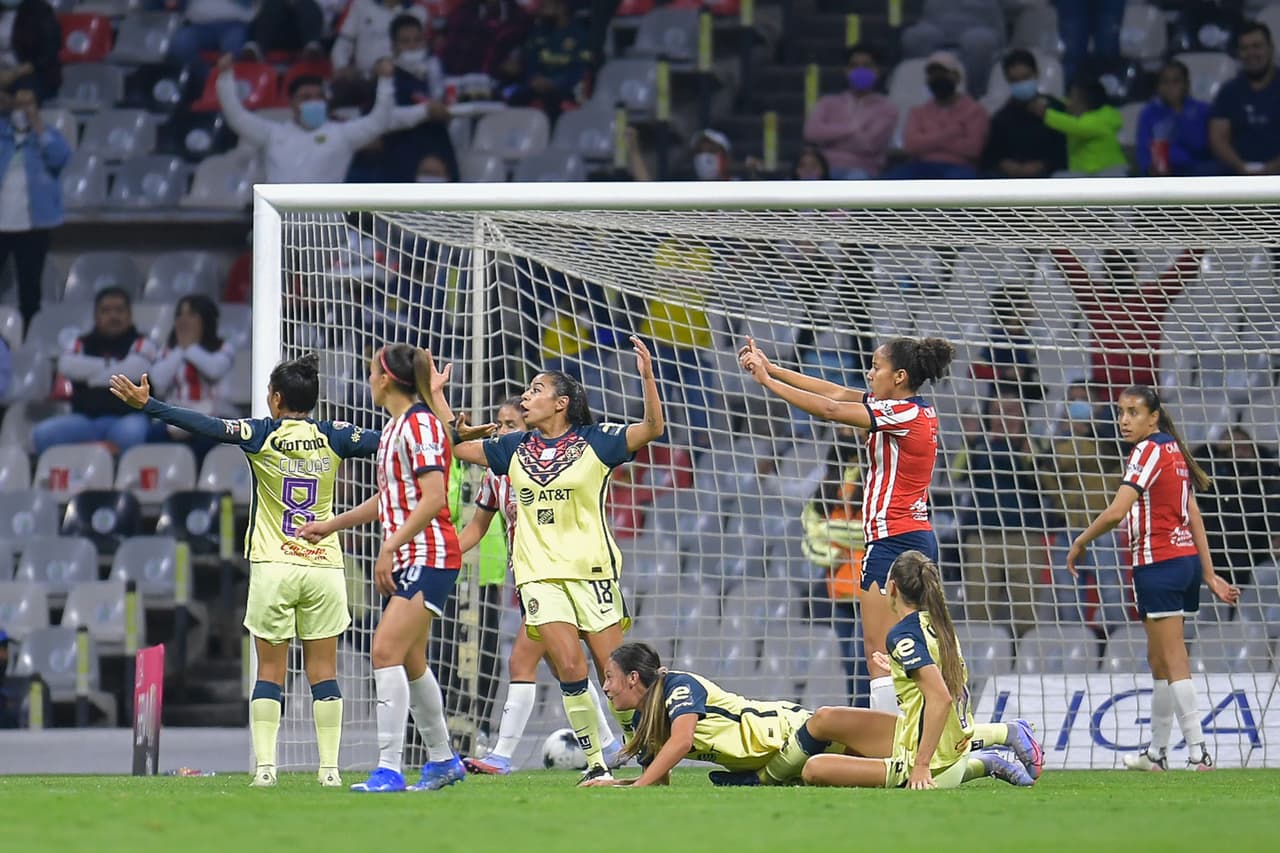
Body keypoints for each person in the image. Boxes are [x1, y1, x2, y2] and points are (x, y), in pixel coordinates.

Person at [108, 353, 382, 788]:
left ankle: (267, 770)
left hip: (274, 565)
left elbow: (207, 425)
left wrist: (151, 406)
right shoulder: (337, 436)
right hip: (324, 566)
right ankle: (329, 771)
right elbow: (397, 440)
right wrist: (452, 431)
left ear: (275, 399)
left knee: (270, 673)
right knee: (324, 673)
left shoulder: (261, 433)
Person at [421, 335, 664, 784]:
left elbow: (652, 429)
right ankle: (596, 766)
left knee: (617, 680)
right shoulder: (514, 449)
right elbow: (455, 445)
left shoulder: (596, 442)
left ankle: (645, 754)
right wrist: (437, 395)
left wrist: (647, 378)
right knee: (569, 668)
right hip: (539, 578)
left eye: (536, 390)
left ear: (561, 403)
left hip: (593, 574)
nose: (526, 397)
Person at [587, 600, 1039, 788]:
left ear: (634, 679)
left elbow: (683, 742)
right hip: (771, 760)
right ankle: (985, 762)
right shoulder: (641, 720)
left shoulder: (678, 688)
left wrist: (633, 788)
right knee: (894, 769)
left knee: (835, 725)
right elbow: (656, 782)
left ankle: (1004, 732)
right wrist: (621, 784)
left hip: (788, 732)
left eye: (609, 677)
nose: (605, 686)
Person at [738, 334, 953, 715]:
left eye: (876, 368)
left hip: (894, 540)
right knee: (907, 645)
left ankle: (888, 741)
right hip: (910, 537)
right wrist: (773, 368)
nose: (870, 375)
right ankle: (917, 731)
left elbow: (832, 411)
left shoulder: (901, 415)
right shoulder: (915, 411)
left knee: (880, 649)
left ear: (899, 376)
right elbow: (836, 393)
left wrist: (767, 383)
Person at [298, 344, 467, 793]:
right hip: (411, 554)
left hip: (430, 554)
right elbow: (389, 499)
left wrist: (389, 546)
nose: (368, 379)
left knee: (383, 651)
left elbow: (434, 498)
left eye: (371, 371)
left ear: (386, 379)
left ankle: (389, 767)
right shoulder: (393, 429)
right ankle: (444, 760)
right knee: (411, 659)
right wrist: (331, 524)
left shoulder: (421, 424)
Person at [1067, 385, 1240, 771]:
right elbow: (1192, 513)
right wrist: (1209, 574)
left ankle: (1199, 753)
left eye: (1133, 412)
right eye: (1121, 412)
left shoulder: (1146, 451)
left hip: (1160, 564)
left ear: (1153, 417)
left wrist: (1080, 541)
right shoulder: (1173, 452)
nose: (1124, 420)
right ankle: (1157, 753)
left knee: (1173, 656)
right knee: (1158, 658)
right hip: (1183, 564)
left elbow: (1116, 512)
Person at [460, 396, 624, 775]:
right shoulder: (495, 477)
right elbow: (476, 529)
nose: (502, 432)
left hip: (568, 575)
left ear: (530, 429)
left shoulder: (549, 466)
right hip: (531, 581)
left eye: (510, 425)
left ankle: (502, 756)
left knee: (532, 661)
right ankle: (610, 746)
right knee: (565, 667)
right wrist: (445, 553)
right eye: (498, 424)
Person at [215, 53, 397, 183]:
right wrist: (225, 77)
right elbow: (236, 117)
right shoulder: (272, 134)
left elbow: (378, 121)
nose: (314, 102)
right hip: (280, 229)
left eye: (319, 97)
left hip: (325, 231)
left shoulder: (342, 134)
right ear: (292, 103)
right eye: (306, 97)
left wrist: (386, 81)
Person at [1049, 247, 1202, 401]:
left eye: (1121, 265)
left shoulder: (1150, 299)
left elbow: (1184, 269)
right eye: (1112, 265)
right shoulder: (1097, 300)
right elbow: (1070, 268)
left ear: (1134, 268)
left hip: (1143, 400)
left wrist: (1202, 238)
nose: (1117, 271)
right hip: (1106, 402)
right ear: (1105, 270)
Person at [34, 288, 157, 455]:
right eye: (106, 311)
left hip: (129, 417)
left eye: (120, 311)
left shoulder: (143, 342)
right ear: (96, 316)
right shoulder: (81, 343)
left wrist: (90, 376)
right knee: (44, 434)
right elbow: (67, 366)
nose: (113, 316)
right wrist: (113, 365)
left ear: (129, 316)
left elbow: (135, 370)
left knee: (133, 433)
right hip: (85, 420)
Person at [801, 426, 867, 705]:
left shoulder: (876, 478)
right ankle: (855, 715)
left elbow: (869, 531)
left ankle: (868, 717)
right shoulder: (828, 483)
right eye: (841, 429)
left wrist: (830, 529)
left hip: (870, 588)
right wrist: (831, 553)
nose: (846, 433)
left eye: (852, 429)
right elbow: (809, 532)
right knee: (849, 662)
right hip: (839, 589)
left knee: (864, 662)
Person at [0, 83, 69, 331]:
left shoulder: (47, 135)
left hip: (34, 224)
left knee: (30, 289)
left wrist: (37, 124)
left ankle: (30, 337)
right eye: (19, 105)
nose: (22, 111)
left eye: (27, 106)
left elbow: (60, 158)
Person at [148, 295, 236, 452]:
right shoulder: (167, 350)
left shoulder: (224, 348)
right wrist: (181, 349)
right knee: (153, 435)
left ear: (205, 319)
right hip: (176, 419)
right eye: (179, 315)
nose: (183, 320)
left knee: (207, 440)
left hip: (215, 416)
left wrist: (189, 347)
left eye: (191, 314)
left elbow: (214, 370)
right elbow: (158, 382)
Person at [885, 52, 988, 181]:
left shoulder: (975, 111)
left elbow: (973, 149)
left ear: (957, 77)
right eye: (933, 74)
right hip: (920, 165)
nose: (938, 78)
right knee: (892, 181)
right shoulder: (918, 112)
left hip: (958, 167)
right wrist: (951, 133)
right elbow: (911, 146)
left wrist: (927, 139)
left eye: (943, 73)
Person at [802, 43, 897, 180]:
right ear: (846, 71)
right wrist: (853, 128)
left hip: (863, 171)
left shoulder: (887, 108)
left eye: (866, 66)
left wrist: (829, 139)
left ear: (877, 71)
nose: (860, 70)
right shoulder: (828, 102)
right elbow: (811, 132)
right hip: (824, 169)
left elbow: (869, 144)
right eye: (854, 66)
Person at [981, 49, 1067, 179]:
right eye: (1015, 80)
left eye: (1026, 77)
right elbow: (990, 155)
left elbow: (1064, 151)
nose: (1021, 84)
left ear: (1036, 74)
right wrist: (1005, 164)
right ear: (1008, 81)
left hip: (1048, 176)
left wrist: (1043, 165)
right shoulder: (1002, 117)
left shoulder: (1056, 108)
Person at [1209, 20, 1280, 176]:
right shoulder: (1228, 92)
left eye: (1257, 46)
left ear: (1270, 49)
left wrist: (1272, 169)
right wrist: (1241, 167)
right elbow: (1218, 138)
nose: (1251, 53)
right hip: (1238, 174)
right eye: (1244, 48)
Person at [500, 0, 591, 121]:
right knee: (510, 98)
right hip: (535, 88)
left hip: (565, 91)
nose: (543, 6)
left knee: (556, 105)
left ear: (562, 7)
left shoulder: (580, 34)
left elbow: (579, 71)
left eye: (548, 3)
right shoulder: (539, 30)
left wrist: (554, 82)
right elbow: (530, 61)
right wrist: (533, 78)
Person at [1029, 77, 1127, 177]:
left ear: (1084, 100)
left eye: (1071, 96)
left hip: (1108, 172)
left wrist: (1045, 114)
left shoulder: (1104, 118)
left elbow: (1079, 127)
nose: (1068, 101)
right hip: (1087, 172)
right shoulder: (1086, 115)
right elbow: (1063, 102)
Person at [1136, 60, 1214, 177]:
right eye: (1165, 82)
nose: (1170, 87)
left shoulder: (1203, 110)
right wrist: (1151, 168)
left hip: (1195, 170)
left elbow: (1201, 146)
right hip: (1159, 172)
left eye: (1176, 81)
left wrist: (1178, 113)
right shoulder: (1149, 113)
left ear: (1186, 84)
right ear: (1158, 87)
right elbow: (1143, 151)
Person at [1, 0, 60, 101]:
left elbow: (47, 54)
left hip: (32, 74)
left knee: (22, 97)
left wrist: (13, 73)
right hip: (3, 72)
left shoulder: (38, 10)